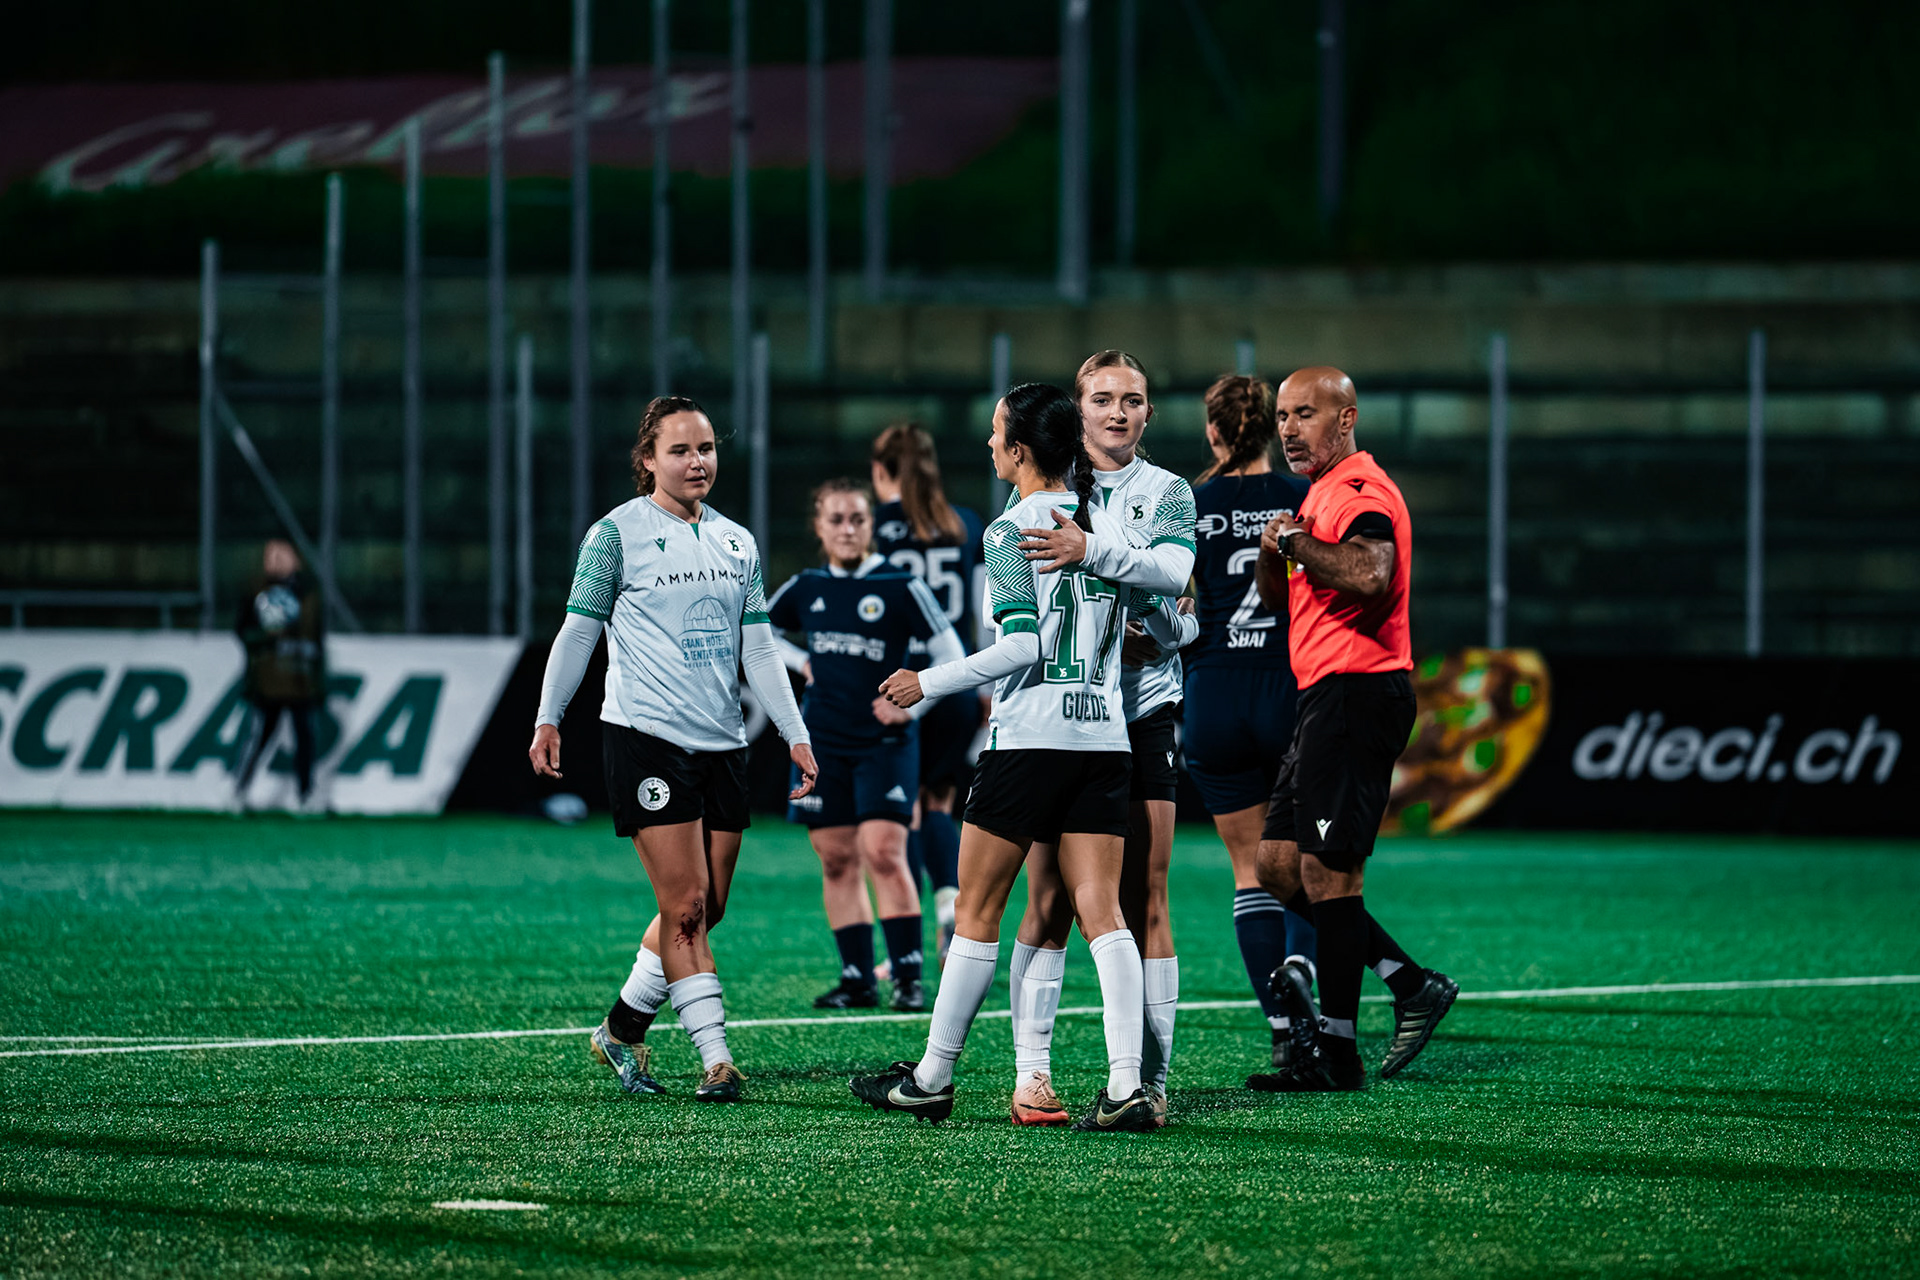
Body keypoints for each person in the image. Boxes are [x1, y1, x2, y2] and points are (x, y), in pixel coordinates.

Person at [849, 382, 1162, 1133]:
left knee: (980, 910)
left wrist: (928, 683)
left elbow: (1023, 644)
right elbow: (1163, 624)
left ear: (1021, 449)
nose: (990, 445)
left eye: (996, 433)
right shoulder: (1104, 524)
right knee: (1102, 913)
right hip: (1103, 737)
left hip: (1029, 742)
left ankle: (931, 1077)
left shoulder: (1009, 528)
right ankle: (1127, 1086)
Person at [529, 395, 818, 1103]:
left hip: (723, 743)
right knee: (684, 903)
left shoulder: (736, 542)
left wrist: (795, 733)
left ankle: (622, 1026)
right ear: (648, 459)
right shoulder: (614, 536)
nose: (698, 461)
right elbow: (578, 632)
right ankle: (717, 1060)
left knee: (707, 906)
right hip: (645, 738)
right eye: (681, 450)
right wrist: (548, 716)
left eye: (707, 449)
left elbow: (758, 645)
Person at [1001, 351, 1198, 1128]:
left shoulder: (1169, 494)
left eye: (1135, 400)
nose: (1119, 412)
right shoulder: (1050, 490)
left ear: (1150, 413)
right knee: (1047, 900)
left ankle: (1148, 1079)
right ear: (1076, 409)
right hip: (1059, 723)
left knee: (1146, 893)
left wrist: (1120, 583)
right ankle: (1034, 1076)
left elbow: (1179, 607)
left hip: (1141, 715)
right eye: (1103, 399)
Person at [1249, 367, 1456, 1092]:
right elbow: (1285, 594)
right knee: (1279, 866)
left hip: (1358, 690)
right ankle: (1409, 983)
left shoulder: (1361, 490)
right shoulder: (1319, 496)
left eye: (1306, 413)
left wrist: (1297, 544)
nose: (1289, 428)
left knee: (1332, 875)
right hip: (1323, 697)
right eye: (1281, 415)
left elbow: (1370, 571)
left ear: (1347, 418)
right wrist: (1276, 553)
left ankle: (1336, 1055)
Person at [767, 478, 965, 1013]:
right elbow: (755, 632)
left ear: (870, 525)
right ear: (819, 527)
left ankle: (907, 977)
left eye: (857, 518)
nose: (848, 528)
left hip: (886, 739)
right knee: (835, 858)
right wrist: (799, 661)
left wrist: (912, 702)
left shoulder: (901, 584)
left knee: (883, 851)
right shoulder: (806, 586)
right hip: (823, 740)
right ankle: (857, 978)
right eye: (836, 519)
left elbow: (952, 655)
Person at [1183, 374, 1322, 1073]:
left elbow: (1169, 609)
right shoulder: (1302, 498)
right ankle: (1303, 972)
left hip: (1212, 694)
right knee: (1306, 863)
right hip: (1290, 688)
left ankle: (1279, 1027)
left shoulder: (1191, 503)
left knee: (1248, 871)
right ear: (1272, 430)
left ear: (1213, 433)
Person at [870, 423, 986, 966]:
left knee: (901, 815)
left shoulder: (873, 527)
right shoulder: (964, 523)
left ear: (880, 471)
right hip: (958, 681)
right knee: (939, 799)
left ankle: (906, 947)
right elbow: (987, 608)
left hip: (899, 686)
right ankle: (948, 905)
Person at [233, 538, 325, 809]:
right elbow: (242, 631)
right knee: (260, 735)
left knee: (305, 737)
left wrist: (318, 680)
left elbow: (317, 640)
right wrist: (265, 637)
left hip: (300, 679)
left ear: (295, 558)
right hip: (269, 679)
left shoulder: (309, 592)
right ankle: (238, 791)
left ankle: (306, 796)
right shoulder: (256, 591)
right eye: (269, 555)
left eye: (281, 554)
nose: (274, 560)